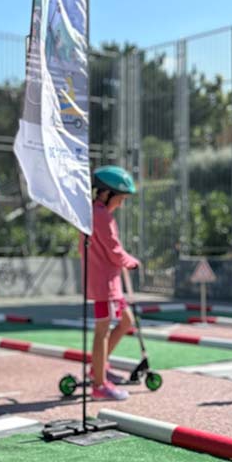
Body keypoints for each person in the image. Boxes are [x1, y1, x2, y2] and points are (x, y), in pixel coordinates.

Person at [81, 165, 139, 401]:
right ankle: (98, 384)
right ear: (106, 193)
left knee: (126, 321)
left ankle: (99, 367)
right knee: (102, 332)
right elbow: (114, 250)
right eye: (121, 198)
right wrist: (131, 261)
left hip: (110, 281)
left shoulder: (99, 213)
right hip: (104, 283)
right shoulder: (100, 215)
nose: (122, 204)